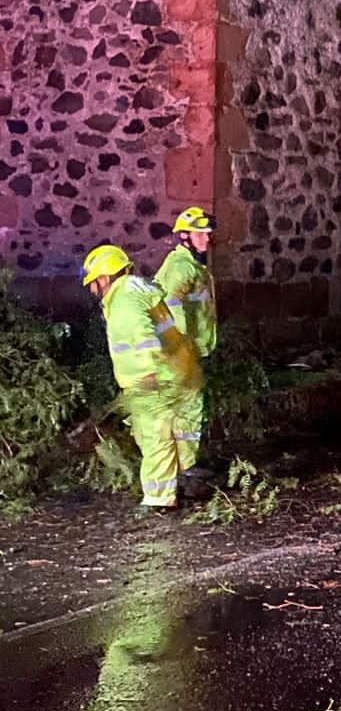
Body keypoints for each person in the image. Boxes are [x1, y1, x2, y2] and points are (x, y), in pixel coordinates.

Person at [81, 245, 201, 510]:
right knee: (178, 431)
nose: (91, 290)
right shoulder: (139, 290)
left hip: (155, 379)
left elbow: (141, 337)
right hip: (180, 368)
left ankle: (159, 501)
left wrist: (146, 376)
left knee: (154, 437)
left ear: (104, 278)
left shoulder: (123, 299)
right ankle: (186, 476)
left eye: (93, 283)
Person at [155, 207, 215, 485]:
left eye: (207, 234)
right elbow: (173, 308)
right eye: (200, 234)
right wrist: (182, 348)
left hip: (189, 350)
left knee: (186, 407)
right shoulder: (181, 267)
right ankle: (184, 469)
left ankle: (182, 466)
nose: (207, 240)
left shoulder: (191, 265)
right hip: (182, 352)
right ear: (184, 236)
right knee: (188, 408)